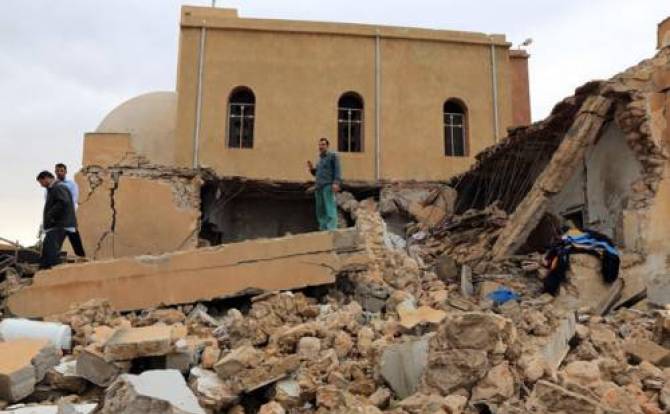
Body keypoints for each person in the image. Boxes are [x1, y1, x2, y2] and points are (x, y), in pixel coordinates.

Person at [36, 170, 77, 269]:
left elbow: (63, 202)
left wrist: (50, 215)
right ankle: (43, 272)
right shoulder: (54, 188)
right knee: (47, 250)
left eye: (41, 182)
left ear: (46, 178)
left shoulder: (58, 187)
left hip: (59, 225)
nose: (41, 185)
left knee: (51, 251)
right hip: (57, 225)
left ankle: (56, 272)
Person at [307, 137, 342, 230]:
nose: (321, 146)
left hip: (328, 185)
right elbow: (318, 174)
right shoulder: (320, 161)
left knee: (329, 206)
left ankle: (332, 227)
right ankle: (323, 228)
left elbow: (337, 170)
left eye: (323, 144)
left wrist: (336, 183)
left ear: (327, 146)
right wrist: (312, 169)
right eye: (320, 145)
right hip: (318, 187)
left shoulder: (333, 156)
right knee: (320, 209)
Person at [54, 163, 86, 257]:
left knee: (74, 238)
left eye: (62, 171)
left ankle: (81, 257)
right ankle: (51, 259)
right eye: (57, 171)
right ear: (55, 172)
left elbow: (74, 199)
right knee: (55, 240)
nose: (59, 172)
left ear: (65, 172)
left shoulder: (71, 184)